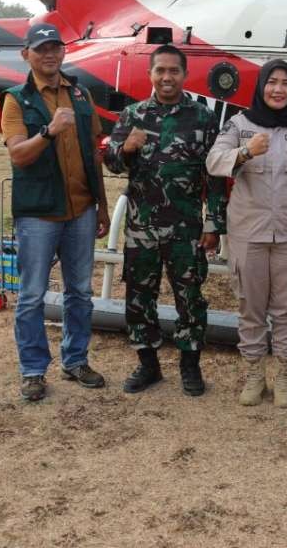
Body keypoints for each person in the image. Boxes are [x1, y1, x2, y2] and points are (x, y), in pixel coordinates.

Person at [104, 44, 227, 397]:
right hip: (142, 228)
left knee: (190, 298)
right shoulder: (133, 115)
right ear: (151, 74)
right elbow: (110, 162)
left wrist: (213, 223)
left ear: (184, 75)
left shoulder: (202, 117)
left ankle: (190, 364)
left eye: (174, 71)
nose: (167, 77)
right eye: (160, 70)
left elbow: (216, 175)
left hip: (186, 228)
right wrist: (126, 147)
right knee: (139, 297)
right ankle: (148, 364)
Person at [206, 59, 287, 408]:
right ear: (261, 87)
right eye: (271, 82)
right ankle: (254, 374)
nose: (278, 89)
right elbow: (213, 162)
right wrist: (244, 152)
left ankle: (285, 377)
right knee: (251, 306)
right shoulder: (240, 124)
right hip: (248, 233)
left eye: (285, 83)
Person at [0, 23, 111, 402]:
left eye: (55, 48)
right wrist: (48, 132)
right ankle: (33, 370)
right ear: (26, 54)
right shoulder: (16, 99)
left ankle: (75, 359)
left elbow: (94, 153)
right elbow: (18, 154)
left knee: (79, 292)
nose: (49, 55)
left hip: (81, 208)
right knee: (32, 295)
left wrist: (103, 206)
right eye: (40, 48)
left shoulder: (81, 94)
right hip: (38, 213)